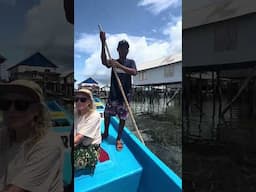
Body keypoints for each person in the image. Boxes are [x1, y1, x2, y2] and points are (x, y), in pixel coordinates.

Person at [0, 80, 64, 192]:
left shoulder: (48, 143)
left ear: (37, 110)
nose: (11, 110)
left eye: (21, 105)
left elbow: (15, 190)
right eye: (5, 104)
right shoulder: (4, 135)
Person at [100, 31, 137, 151]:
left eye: (126, 48)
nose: (123, 50)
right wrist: (103, 42)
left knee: (122, 118)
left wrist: (119, 66)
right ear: (117, 49)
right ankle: (105, 133)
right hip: (114, 95)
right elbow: (104, 62)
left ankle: (118, 138)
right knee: (106, 115)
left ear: (128, 50)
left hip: (125, 96)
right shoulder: (113, 61)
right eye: (121, 48)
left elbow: (134, 72)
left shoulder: (130, 62)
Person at [74, 88, 101, 174]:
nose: (78, 102)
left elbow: (77, 139)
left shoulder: (94, 115)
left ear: (89, 102)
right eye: (76, 99)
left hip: (89, 148)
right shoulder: (76, 112)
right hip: (78, 144)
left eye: (83, 100)